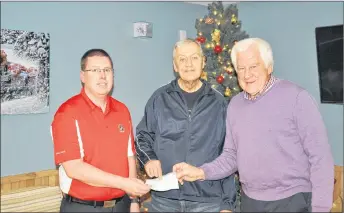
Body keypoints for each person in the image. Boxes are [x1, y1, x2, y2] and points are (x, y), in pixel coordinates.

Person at [173, 38, 335, 212]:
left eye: (253, 66)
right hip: (251, 201)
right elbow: (231, 156)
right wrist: (200, 172)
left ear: (269, 66)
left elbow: (320, 158)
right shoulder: (235, 105)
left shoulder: (297, 98)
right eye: (241, 68)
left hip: (293, 200)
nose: (247, 74)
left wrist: (320, 207)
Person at [135, 39, 237, 212]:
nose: (188, 64)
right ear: (175, 66)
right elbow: (142, 136)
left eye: (194, 58)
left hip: (207, 202)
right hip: (164, 201)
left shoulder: (219, 103)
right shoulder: (159, 99)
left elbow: (227, 154)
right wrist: (149, 158)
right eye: (182, 59)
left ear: (203, 61)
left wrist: (227, 204)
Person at [51, 49, 150, 212]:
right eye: (95, 70)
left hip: (121, 205)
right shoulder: (67, 112)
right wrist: (123, 183)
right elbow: (74, 168)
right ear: (83, 76)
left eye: (107, 70)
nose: (102, 75)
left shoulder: (122, 110)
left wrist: (134, 201)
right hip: (83, 207)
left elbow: (129, 157)